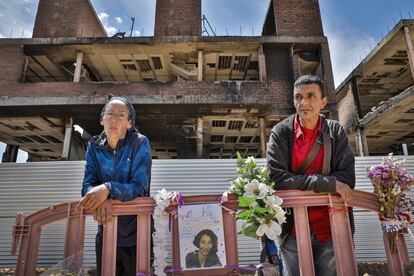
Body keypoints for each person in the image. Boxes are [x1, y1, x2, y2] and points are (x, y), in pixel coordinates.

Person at [266, 75, 355, 276]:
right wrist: (327, 183)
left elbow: (347, 178)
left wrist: (332, 183)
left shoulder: (335, 131)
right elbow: (276, 179)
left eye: (310, 96)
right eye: (298, 97)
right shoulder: (280, 132)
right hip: (292, 228)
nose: (304, 102)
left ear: (323, 101)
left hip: (330, 225)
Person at [76, 97, 152, 276]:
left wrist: (108, 189)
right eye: (109, 114)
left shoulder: (139, 143)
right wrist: (99, 198)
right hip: (106, 228)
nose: (114, 119)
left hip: (137, 233)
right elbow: (87, 185)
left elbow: (139, 187)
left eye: (121, 115)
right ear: (101, 119)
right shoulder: (94, 146)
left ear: (129, 123)